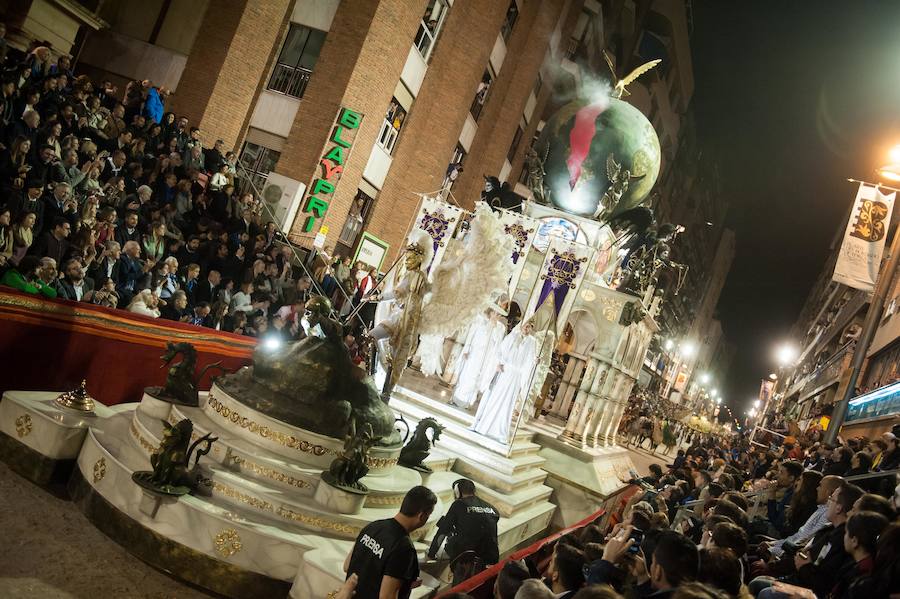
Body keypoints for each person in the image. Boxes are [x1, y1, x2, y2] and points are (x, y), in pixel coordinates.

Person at [344, 485, 436, 599]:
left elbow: (347, 566)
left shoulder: (374, 526)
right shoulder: (403, 548)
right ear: (422, 515)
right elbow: (387, 596)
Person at [471, 320, 540, 443]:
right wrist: (499, 363)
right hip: (505, 371)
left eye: (530, 327)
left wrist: (535, 362)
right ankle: (484, 425)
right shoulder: (512, 336)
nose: (527, 328)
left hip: (516, 376)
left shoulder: (532, 342)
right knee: (495, 398)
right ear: (522, 325)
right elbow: (500, 351)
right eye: (526, 325)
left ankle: (500, 431)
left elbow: (530, 359)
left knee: (508, 403)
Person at [430, 478, 499, 585]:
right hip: (491, 559)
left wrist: (432, 552)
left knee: (460, 590)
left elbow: (443, 531)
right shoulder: (492, 508)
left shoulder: (458, 504)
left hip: (467, 561)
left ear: (457, 492)